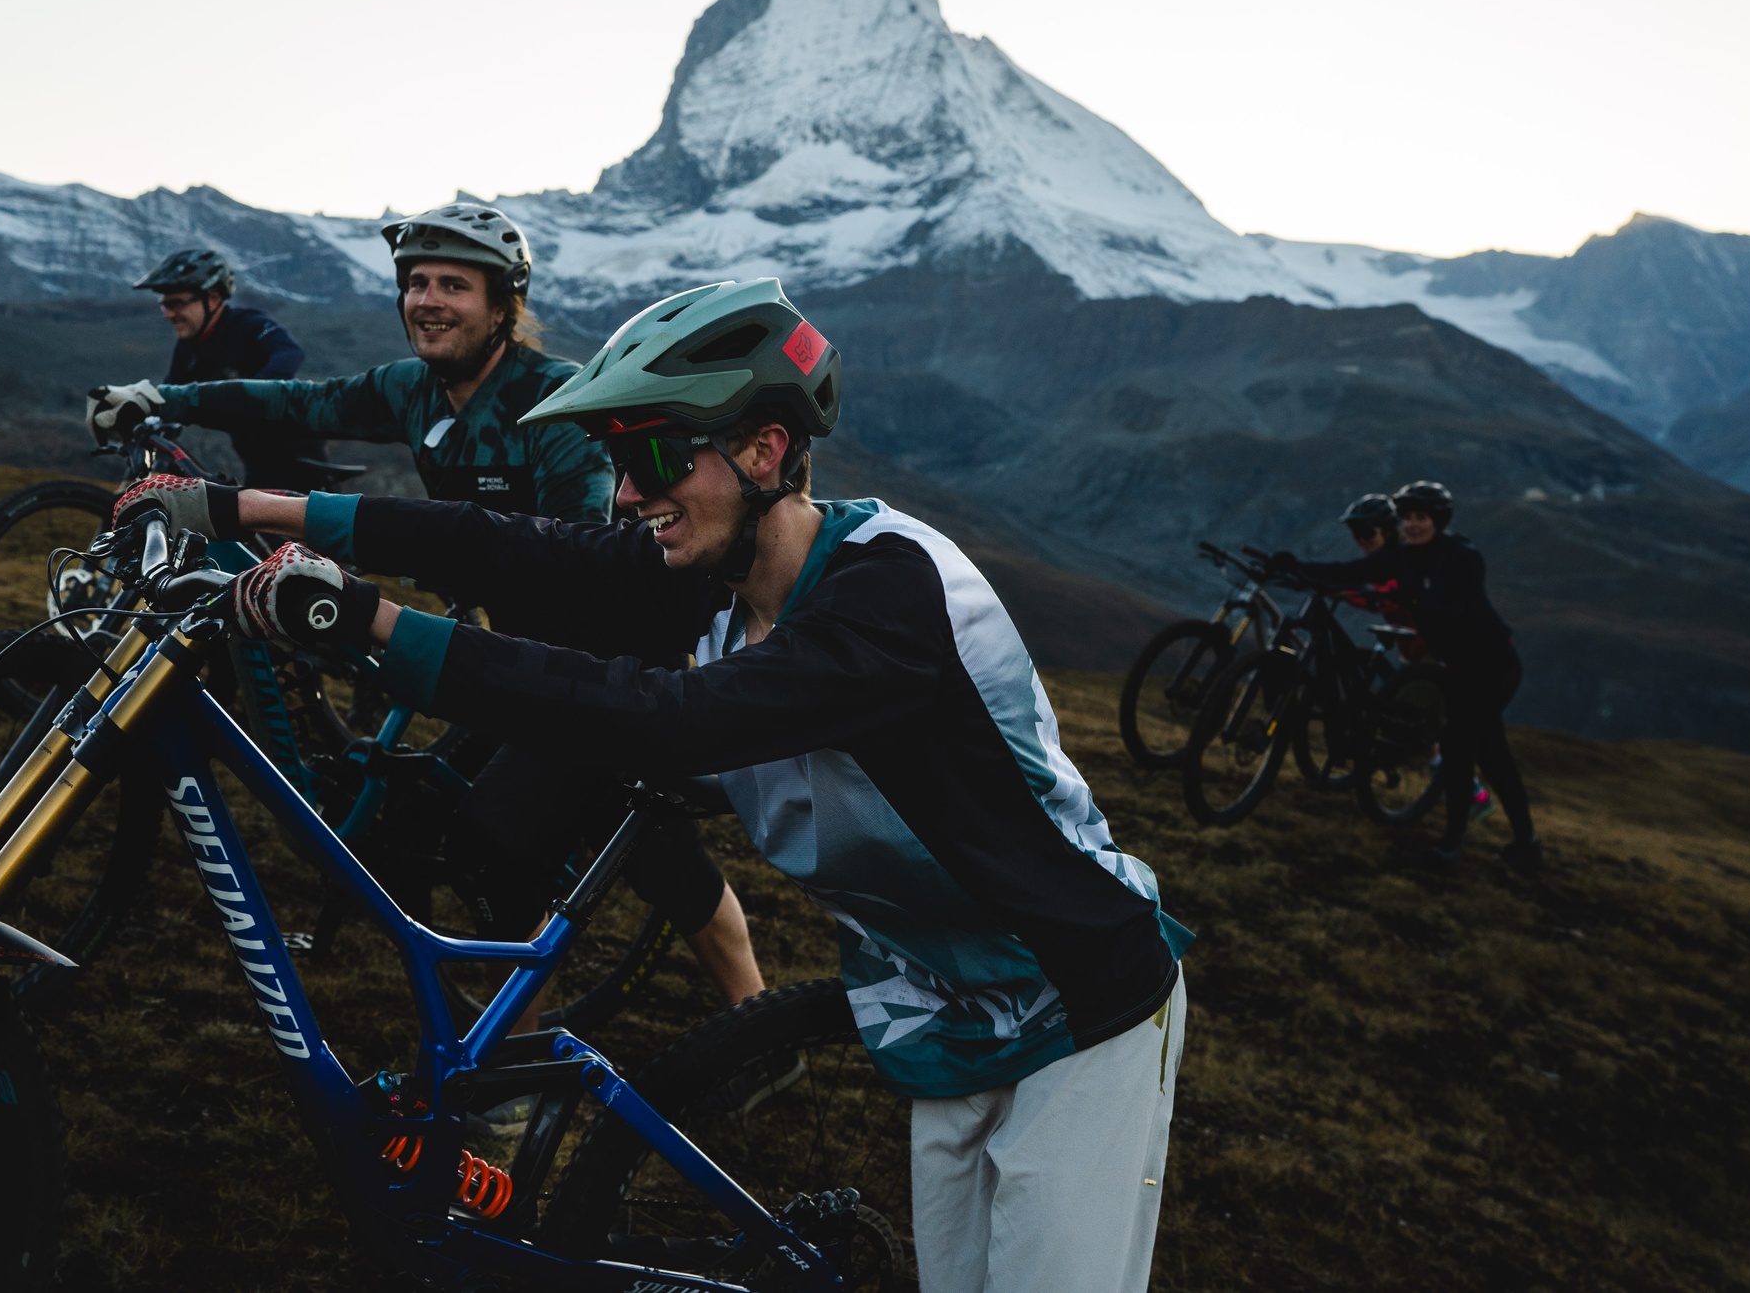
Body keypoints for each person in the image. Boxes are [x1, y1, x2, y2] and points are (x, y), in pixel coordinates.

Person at [124, 277, 1195, 1293]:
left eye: (654, 455)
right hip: (942, 1010)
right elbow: (520, 547)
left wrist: (366, 621)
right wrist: (240, 505)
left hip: (1080, 1003)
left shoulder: (889, 594)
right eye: (616, 457)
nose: (630, 490)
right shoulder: (727, 577)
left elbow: (663, 717)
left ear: (766, 448)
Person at [95, 205, 763, 1016]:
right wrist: (164, 396)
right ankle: (730, 1015)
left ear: (503, 306)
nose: (428, 300)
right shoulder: (412, 392)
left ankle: (528, 1042)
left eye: (454, 284)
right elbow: (299, 403)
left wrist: (370, 546)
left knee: (516, 831)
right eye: (415, 283)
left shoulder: (555, 404)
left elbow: (567, 551)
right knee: (522, 820)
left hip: (602, 654)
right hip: (509, 646)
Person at [1282, 481, 1539, 871]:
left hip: (1491, 666)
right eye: (1407, 518)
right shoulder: (1400, 557)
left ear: (1438, 520)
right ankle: (1524, 844)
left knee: (1462, 747)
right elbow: (1352, 572)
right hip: (1453, 670)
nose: (1413, 525)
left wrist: (1417, 599)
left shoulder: (1462, 555)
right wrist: (1295, 568)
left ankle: (1454, 846)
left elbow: (1465, 607)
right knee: (1488, 754)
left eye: (1421, 517)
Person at [86, 247, 330, 491]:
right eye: (164, 305)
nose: (169, 314)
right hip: (255, 460)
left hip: (298, 462)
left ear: (213, 299)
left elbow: (289, 352)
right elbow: (168, 393)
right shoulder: (188, 349)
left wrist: (256, 391)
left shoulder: (248, 325)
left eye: (177, 304)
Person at [1330, 491, 1492, 824]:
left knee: (1416, 722)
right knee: (1419, 725)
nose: (1361, 541)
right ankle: (1464, 790)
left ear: (1387, 532)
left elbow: (1391, 597)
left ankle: (1473, 795)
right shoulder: (1384, 560)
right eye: (1356, 535)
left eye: (1367, 534)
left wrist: (1352, 594)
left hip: (1442, 655)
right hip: (1415, 654)